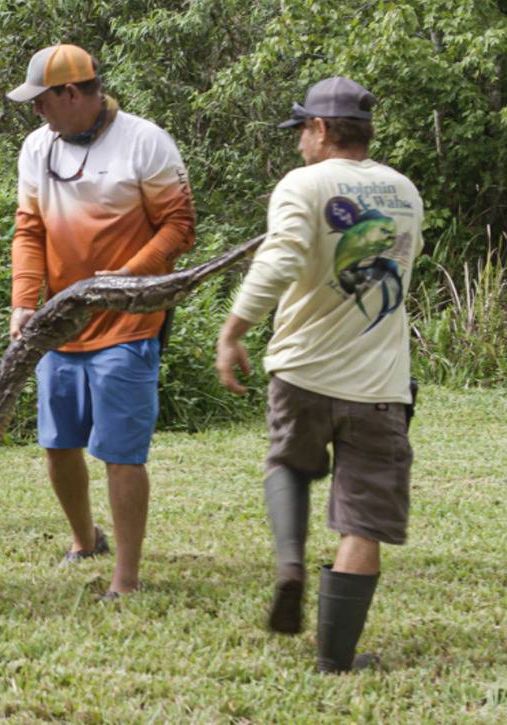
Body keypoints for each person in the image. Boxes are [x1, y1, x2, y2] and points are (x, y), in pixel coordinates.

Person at [215, 77, 422, 672]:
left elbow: (279, 259)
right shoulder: (405, 190)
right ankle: (336, 658)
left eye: (302, 129)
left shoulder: (302, 183)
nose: (299, 142)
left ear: (323, 129)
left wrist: (233, 331)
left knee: (288, 463)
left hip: (300, 373)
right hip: (379, 388)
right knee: (364, 519)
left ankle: (289, 565)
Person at [6, 44, 195, 596]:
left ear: (70, 94)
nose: (36, 114)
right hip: (61, 321)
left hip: (128, 323)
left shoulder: (144, 140)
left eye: (42, 102)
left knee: (119, 451)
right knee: (58, 442)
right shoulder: (37, 147)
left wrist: (125, 278)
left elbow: (180, 225)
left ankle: (126, 576)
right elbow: (29, 230)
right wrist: (23, 302)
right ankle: (85, 539)